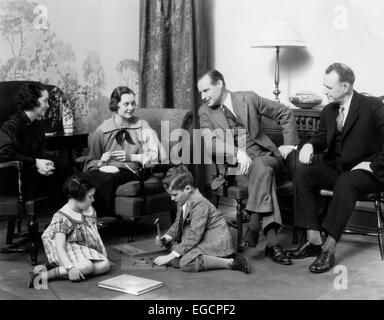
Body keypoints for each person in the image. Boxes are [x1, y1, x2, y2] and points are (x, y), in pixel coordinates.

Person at [287, 63, 384, 273]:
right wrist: (310, 145)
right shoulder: (329, 111)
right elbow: (321, 137)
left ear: (346, 86)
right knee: (303, 174)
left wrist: (374, 165)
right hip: (337, 167)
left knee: (346, 181)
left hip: (367, 172)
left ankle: (328, 249)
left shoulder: (372, 106)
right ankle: (313, 240)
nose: (325, 91)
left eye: (329, 87)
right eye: (325, 86)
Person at [198, 70, 299, 265]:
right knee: (264, 175)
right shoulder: (205, 112)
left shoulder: (249, 98)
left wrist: (290, 144)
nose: (203, 96)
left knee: (262, 166)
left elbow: (285, 112)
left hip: (267, 157)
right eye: (200, 92)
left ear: (219, 83)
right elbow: (210, 144)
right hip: (237, 169)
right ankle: (271, 244)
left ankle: (253, 225)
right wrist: (237, 153)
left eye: (205, 90)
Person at [84, 86, 165, 217]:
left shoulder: (142, 125)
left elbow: (155, 155)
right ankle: (76, 219)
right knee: (82, 179)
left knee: (108, 178)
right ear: (115, 105)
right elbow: (91, 161)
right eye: (126, 104)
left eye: (133, 103)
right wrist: (101, 163)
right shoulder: (103, 129)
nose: (131, 107)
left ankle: (100, 218)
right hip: (104, 170)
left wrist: (130, 157)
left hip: (131, 171)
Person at [153, 165, 249, 273]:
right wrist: (166, 237)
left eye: (174, 194)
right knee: (172, 249)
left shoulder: (200, 204)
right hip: (201, 237)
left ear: (188, 189)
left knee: (184, 264)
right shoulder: (182, 199)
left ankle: (231, 262)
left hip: (214, 241)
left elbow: (194, 235)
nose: (172, 198)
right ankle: (187, 255)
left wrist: (169, 256)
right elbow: (177, 223)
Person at [28, 172, 111, 288]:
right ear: (78, 197)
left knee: (105, 265)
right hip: (64, 246)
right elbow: (59, 247)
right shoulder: (63, 217)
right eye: (90, 197)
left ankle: (62, 270)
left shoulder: (88, 208)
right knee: (87, 266)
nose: (93, 200)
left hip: (80, 246)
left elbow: (92, 232)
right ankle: (45, 274)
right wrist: (70, 268)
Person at [0, 83, 72, 205]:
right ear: (33, 101)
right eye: (45, 101)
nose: (48, 105)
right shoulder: (11, 125)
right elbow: (5, 155)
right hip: (14, 178)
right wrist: (36, 163)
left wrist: (46, 163)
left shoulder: (38, 126)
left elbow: (41, 152)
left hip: (34, 173)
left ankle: (65, 216)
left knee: (64, 167)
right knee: (60, 173)